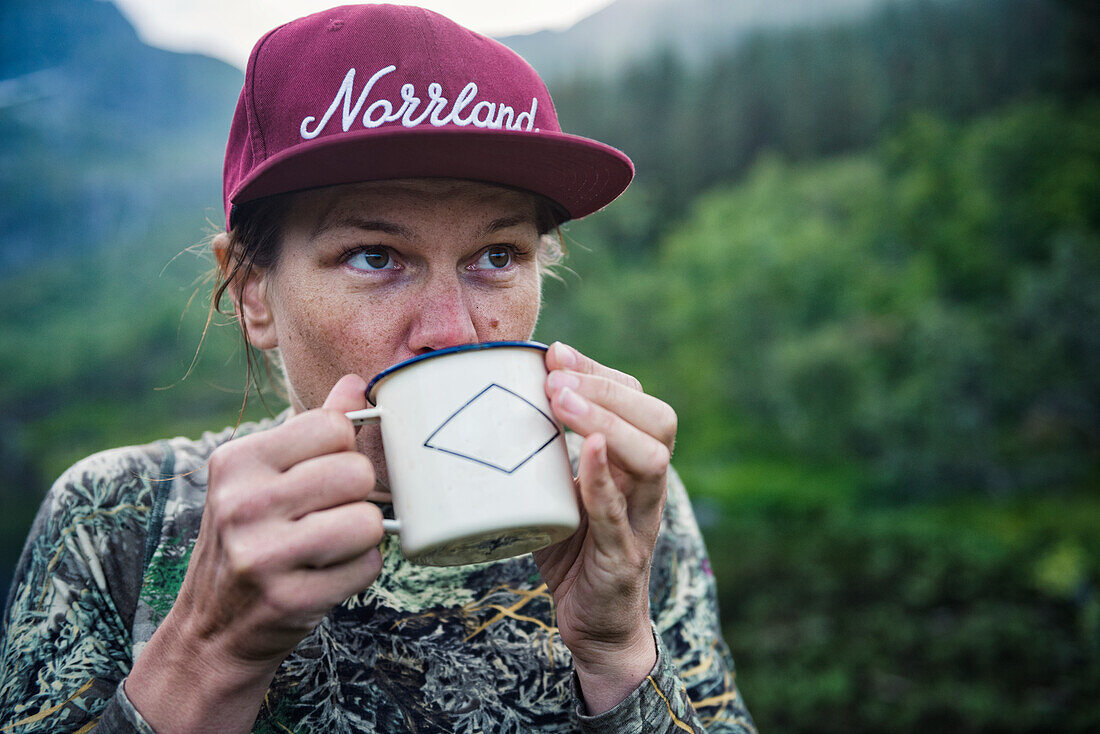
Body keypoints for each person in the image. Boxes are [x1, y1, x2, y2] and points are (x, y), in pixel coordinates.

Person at [0, 5, 755, 732]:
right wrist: (205, 655)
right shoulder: (117, 519)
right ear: (254, 291)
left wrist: (619, 651)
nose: (452, 332)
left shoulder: (612, 502)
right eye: (376, 257)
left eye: (498, 256)